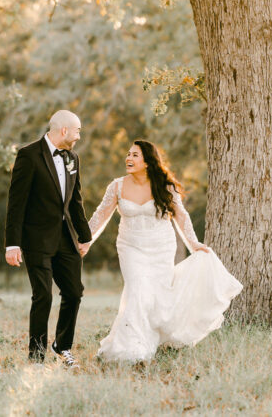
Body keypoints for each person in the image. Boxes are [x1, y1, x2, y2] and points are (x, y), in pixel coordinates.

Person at [87, 139, 242, 363]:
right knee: (137, 289)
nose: (128, 159)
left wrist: (194, 244)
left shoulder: (165, 186)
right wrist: (86, 241)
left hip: (161, 247)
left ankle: (153, 339)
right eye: (128, 154)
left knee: (156, 296)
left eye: (135, 155)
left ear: (148, 162)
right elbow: (101, 215)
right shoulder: (117, 186)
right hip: (130, 247)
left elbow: (181, 215)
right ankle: (131, 348)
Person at [4, 110, 92, 367]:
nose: (78, 136)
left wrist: (84, 237)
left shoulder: (73, 158)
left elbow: (75, 202)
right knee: (43, 295)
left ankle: (62, 346)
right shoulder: (29, 155)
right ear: (64, 130)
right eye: (77, 131)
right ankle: (36, 357)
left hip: (66, 239)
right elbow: (16, 203)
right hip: (36, 240)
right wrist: (13, 243)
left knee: (74, 292)